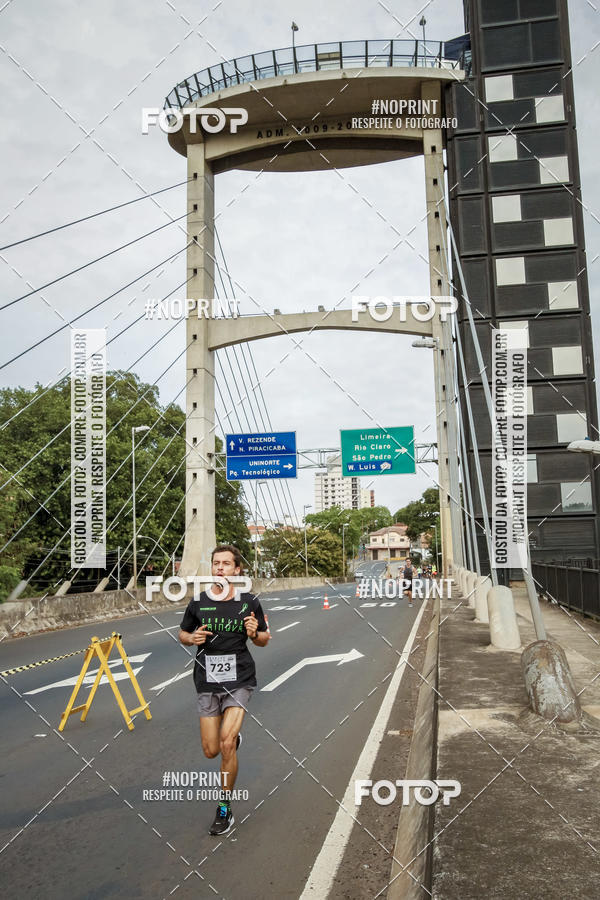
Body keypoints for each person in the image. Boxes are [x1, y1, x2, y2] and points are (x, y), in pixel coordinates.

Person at [178, 544, 270, 836]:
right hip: (206, 680)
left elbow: (265, 638)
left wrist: (255, 633)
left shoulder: (249, 602)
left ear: (237, 569)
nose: (220, 568)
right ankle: (232, 740)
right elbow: (182, 633)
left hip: (239, 679)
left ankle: (224, 808)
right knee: (211, 750)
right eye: (216, 563)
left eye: (226, 564)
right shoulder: (199, 603)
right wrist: (192, 637)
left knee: (226, 744)